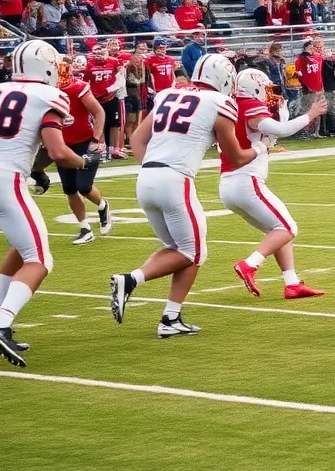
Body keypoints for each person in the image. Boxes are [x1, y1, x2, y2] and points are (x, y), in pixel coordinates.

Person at [110, 55, 256, 338]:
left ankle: (170, 319)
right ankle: (130, 280)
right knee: (193, 252)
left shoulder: (167, 93)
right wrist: (261, 149)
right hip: (175, 180)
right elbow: (236, 156)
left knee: (178, 250)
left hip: (147, 178)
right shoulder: (220, 102)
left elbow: (137, 139)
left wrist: (155, 169)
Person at [0, 42, 98, 366]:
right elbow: (58, 151)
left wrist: (33, 168)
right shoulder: (49, 97)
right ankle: (1, 323)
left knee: (21, 246)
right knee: (40, 259)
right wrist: (84, 162)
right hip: (4, 180)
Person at [224, 70, 328, 301]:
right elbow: (280, 131)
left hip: (229, 183)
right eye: (266, 88)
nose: (269, 94)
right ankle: (250, 264)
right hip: (246, 180)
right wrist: (309, 115)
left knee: (277, 231)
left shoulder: (229, 105)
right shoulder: (248, 105)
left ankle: (292, 283)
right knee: (288, 228)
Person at [31, 60, 111, 246]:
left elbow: (99, 113)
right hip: (63, 144)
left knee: (83, 186)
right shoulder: (44, 92)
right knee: (69, 188)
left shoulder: (77, 88)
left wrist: (95, 139)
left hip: (84, 143)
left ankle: (102, 205)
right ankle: (85, 229)